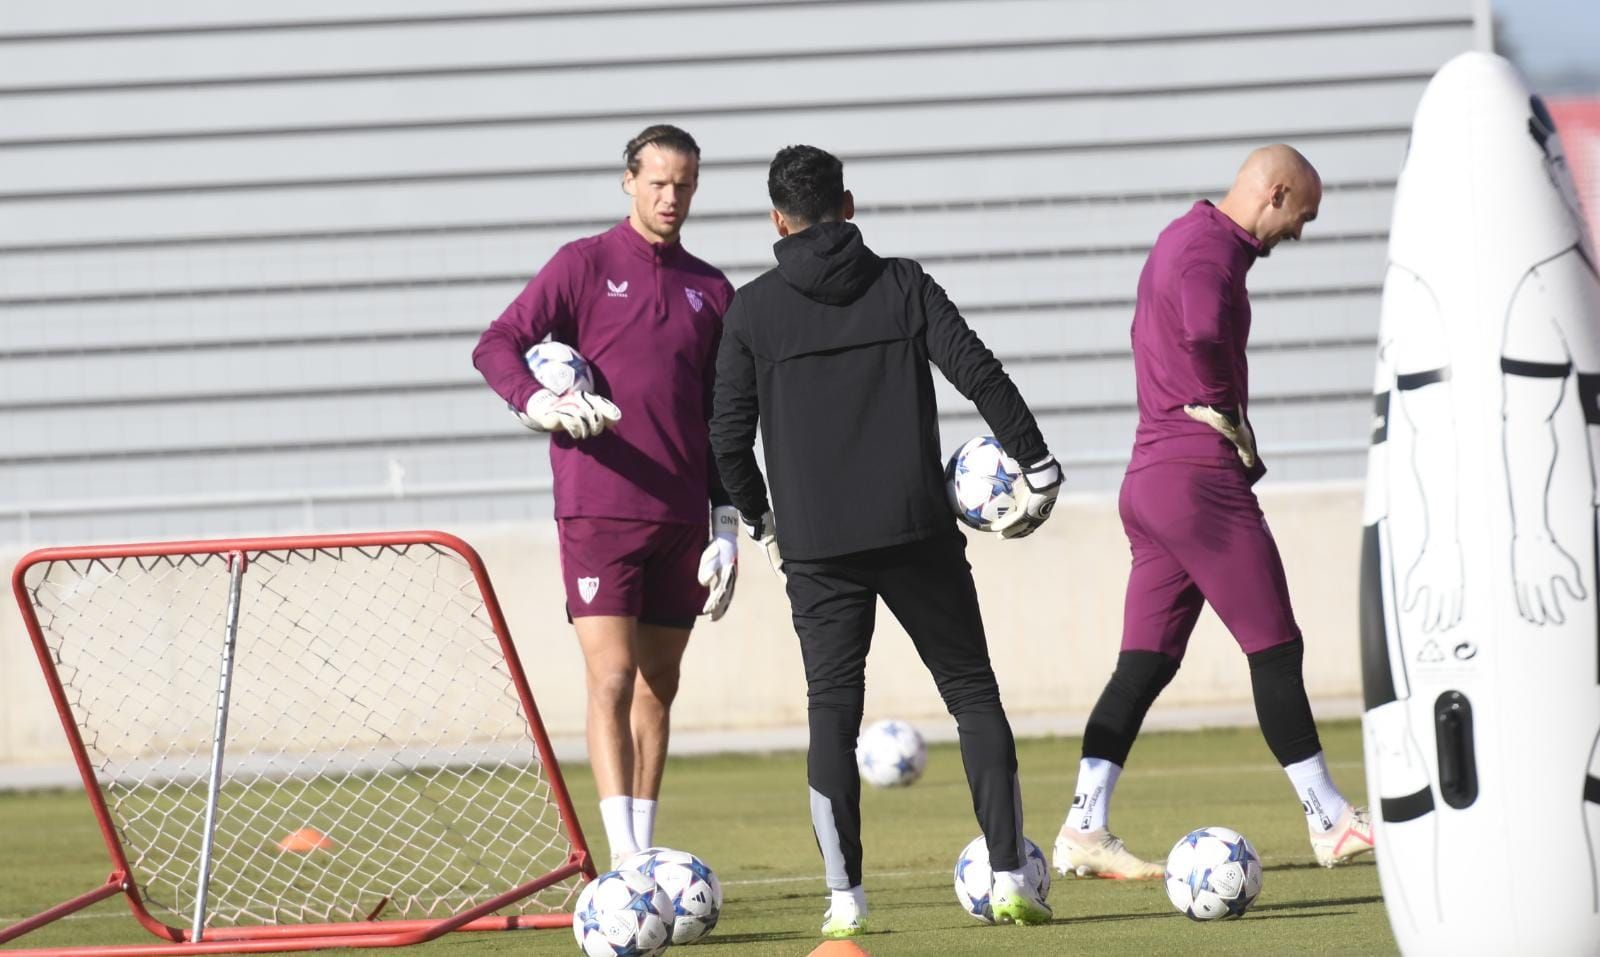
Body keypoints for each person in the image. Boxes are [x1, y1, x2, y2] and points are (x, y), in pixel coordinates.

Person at [710, 145, 1063, 937]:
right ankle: (1011, 876)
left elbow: (727, 435)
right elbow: (979, 371)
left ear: (777, 219)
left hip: (816, 548)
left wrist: (761, 519)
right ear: (849, 204)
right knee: (971, 691)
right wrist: (1035, 461)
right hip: (916, 531)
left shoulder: (753, 309)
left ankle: (845, 901)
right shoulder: (903, 283)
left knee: (831, 713)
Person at [1052, 145, 1376, 880]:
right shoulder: (1211, 251)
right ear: (1278, 192)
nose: (1302, 230)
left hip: (1150, 479)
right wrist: (1220, 409)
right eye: (1304, 215)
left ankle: (1083, 824)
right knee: (1274, 644)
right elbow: (1199, 327)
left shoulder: (1180, 236)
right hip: (1197, 478)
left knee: (1143, 665)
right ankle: (1330, 819)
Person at [472, 124, 738, 869]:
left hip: (684, 514)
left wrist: (727, 516)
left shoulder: (712, 289)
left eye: (684, 184)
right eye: (657, 182)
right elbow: (495, 343)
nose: (671, 197)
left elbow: (723, 413)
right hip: (599, 507)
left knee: (660, 685)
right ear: (628, 180)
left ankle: (644, 856)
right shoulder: (583, 264)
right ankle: (624, 866)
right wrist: (537, 403)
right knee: (612, 676)